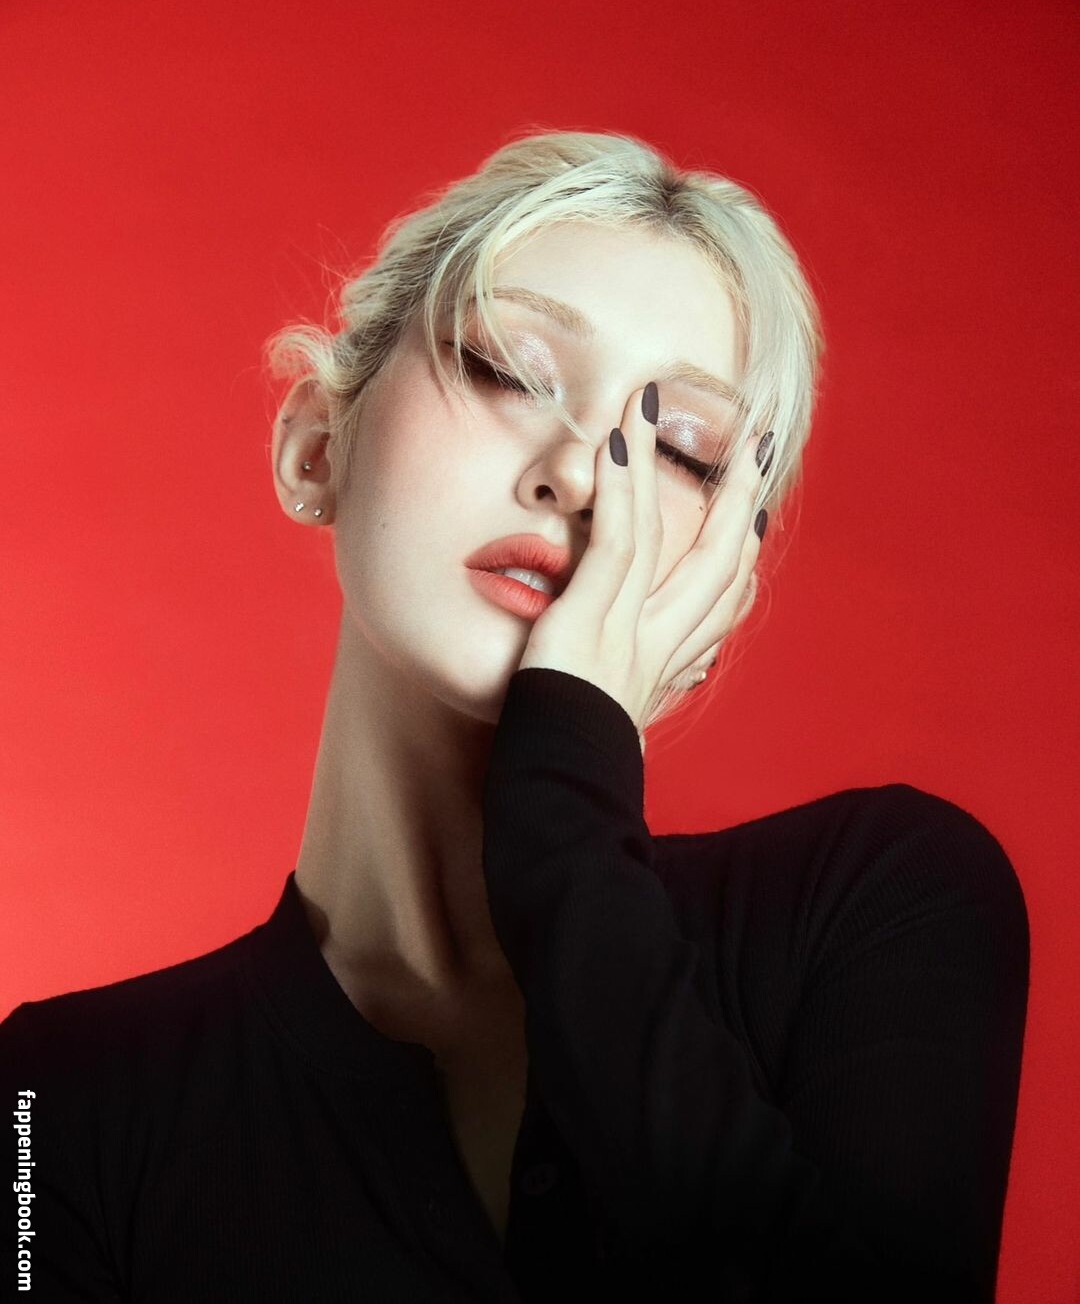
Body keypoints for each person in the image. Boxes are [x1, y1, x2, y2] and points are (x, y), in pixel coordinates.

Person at [0, 129, 1029, 1303]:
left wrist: (566, 811)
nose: (583, 476)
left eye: (681, 453)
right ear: (318, 445)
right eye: (509, 371)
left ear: (719, 597)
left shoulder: (881, 906)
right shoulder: (47, 1104)